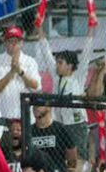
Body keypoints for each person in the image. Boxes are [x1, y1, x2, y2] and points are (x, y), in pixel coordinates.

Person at [35, 23, 94, 157]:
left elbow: (86, 53)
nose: (56, 65)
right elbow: (46, 51)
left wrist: (91, 28)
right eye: (57, 62)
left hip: (77, 125)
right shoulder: (57, 77)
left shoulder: (78, 77)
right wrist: (39, 27)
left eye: (60, 63)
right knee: (62, 156)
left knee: (79, 157)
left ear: (70, 66)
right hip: (60, 124)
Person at [0, 26, 40, 121]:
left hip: (26, 116)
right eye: (10, 41)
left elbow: (36, 86)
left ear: (22, 43)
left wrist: (20, 72)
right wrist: (11, 73)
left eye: (16, 41)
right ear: (4, 43)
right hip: (4, 115)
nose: (13, 44)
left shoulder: (30, 61)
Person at [29, 106, 78, 172]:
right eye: (34, 105)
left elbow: (72, 158)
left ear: (48, 107)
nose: (35, 107)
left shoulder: (60, 128)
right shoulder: (29, 131)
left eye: (39, 104)